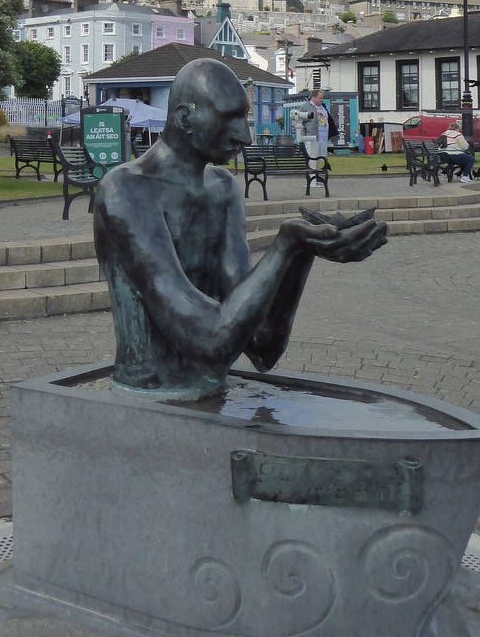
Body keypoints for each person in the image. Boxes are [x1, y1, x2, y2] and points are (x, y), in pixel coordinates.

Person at [93, 59, 387, 400]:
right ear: (185, 118)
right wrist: (285, 246)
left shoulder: (222, 188)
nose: (245, 136)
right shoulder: (126, 191)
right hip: (147, 401)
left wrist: (303, 250)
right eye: (229, 118)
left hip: (210, 391)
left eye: (244, 118)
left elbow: (263, 347)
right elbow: (211, 340)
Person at [299, 87, 339, 157]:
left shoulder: (323, 106)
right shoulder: (305, 107)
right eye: (320, 98)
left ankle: (321, 167)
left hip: (323, 137)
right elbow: (300, 121)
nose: (322, 100)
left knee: (322, 157)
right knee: (312, 156)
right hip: (312, 137)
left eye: (322, 98)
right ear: (314, 97)